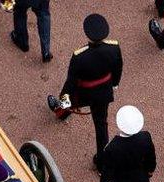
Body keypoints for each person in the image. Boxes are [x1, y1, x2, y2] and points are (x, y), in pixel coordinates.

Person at [47, 13, 122, 167]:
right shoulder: (114, 47)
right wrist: (114, 84)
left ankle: (61, 111)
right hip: (104, 92)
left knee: (68, 102)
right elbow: (118, 68)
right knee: (101, 126)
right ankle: (101, 161)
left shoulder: (79, 56)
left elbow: (71, 82)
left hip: (83, 92)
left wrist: (63, 97)